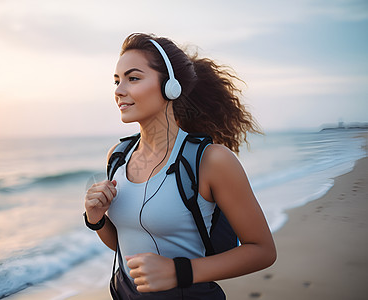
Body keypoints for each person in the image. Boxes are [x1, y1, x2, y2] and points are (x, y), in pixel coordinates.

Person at [84, 32, 276, 299]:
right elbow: (123, 243)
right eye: (117, 81)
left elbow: (262, 250)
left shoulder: (210, 160)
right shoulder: (117, 156)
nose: (119, 91)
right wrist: (96, 219)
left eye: (133, 78)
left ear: (170, 86)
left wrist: (179, 272)